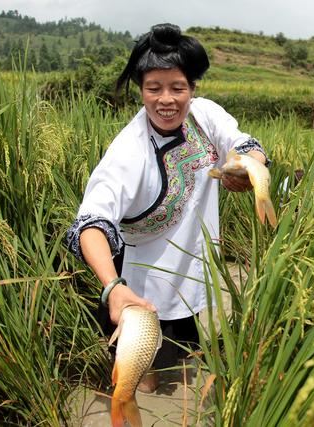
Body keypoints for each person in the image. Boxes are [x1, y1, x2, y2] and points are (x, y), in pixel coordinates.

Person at [66, 23, 269, 392]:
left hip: (193, 279)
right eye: (153, 88)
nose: (166, 100)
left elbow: (243, 145)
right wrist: (113, 287)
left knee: (184, 361)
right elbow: (91, 223)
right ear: (140, 91)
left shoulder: (204, 115)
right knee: (139, 383)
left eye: (177, 87)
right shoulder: (129, 152)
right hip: (143, 293)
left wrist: (250, 166)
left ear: (192, 89)